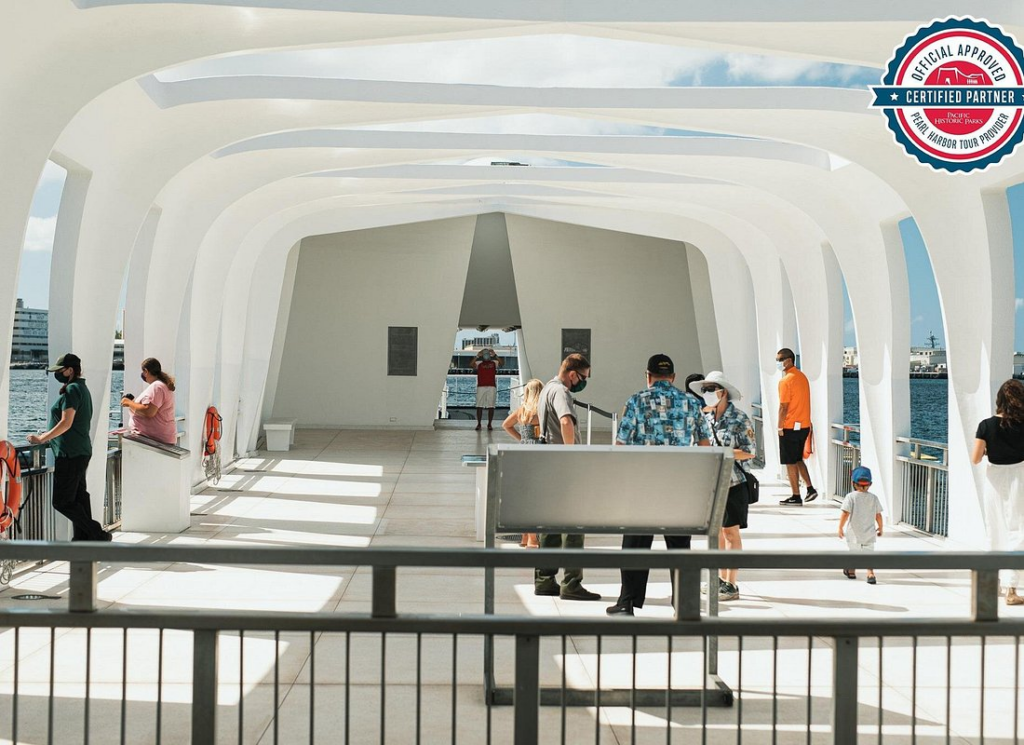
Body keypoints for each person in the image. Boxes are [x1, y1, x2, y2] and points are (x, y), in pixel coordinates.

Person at [606, 354, 712, 616]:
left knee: (635, 545)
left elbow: (620, 445)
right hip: (679, 486)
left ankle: (627, 602)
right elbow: (705, 446)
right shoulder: (691, 402)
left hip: (643, 484)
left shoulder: (637, 401)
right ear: (673, 377)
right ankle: (683, 605)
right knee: (679, 547)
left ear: (648, 375)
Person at [534, 353, 601, 601]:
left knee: (549, 526)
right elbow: (565, 421)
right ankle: (571, 584)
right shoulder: (561, 391)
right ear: (572, 374)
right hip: (563, 467)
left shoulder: (546, 389)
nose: (583, 382)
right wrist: (572, 454)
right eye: (583, 377)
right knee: (573, 527)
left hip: (548, 464)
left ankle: (544, 579)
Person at [27, 353, 111, 542]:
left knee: (62, 501)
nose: (57, 375)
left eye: (60, 371)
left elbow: (66, 423)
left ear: (70, 370)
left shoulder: (73, 390)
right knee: (79, 496)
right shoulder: (82, 388)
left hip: (70, 453)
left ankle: (96, 533)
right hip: (79, 450)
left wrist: (42, 438)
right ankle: (84, 538)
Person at [695, 371, 757, 602]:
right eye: (705, 389)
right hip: (712, 482)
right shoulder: (706, 418)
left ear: (723, 392)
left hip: (734, 483)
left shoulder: (740, 419)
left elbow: (750, 450)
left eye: (711, 389)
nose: (707, 393)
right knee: (716, 533)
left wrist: (723, 452)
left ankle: (732, 583)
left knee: (730, 532)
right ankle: (718, 579)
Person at [971, 379, 1024, 605]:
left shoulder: (986, 425)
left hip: (994, 479)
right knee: (1018, 530)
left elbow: (975, 459)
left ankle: (992, 584)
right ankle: (1011, 589)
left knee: (995, 529)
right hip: (1020, 477)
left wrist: (990, 450)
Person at [502, 378, 544, 549]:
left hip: (523, 451)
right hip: (538, 453)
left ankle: (525, 537)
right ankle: (533, 538)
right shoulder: (541, 412)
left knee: (526, 496)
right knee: (536, 498)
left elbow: (506, 425)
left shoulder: (522, 411)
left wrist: (522, 439)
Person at [775, 348, 819, 505]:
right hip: (804, 425)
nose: (778, 363)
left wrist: (780, 427)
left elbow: (783, 407)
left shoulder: (785, 381)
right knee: (797, 458)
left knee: (790, 461)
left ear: (788, 360)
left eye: (779, 360)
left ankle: (796, 495)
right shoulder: (802, 377)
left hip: (789, 426)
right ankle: (810, 488)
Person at [838, 466, 883, 584]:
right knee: (869, 554)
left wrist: (840, 527)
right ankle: (870, 573)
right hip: (869, 533)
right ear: (870, 484)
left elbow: (845, 513)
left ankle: (851, 571)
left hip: (854, 533)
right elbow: (878, 515)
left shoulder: (850, 497)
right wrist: (881, 527)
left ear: (853, 483)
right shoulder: (873, 498)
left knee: (854, 552)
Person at [121, 357, 177, 445]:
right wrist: (134, 403)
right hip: (156, 439)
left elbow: (149, 411)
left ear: (146, 371)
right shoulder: (162, 386)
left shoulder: (157, 387)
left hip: (155, 441)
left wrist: (129, 403)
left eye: (143, 372)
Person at [471, 347, 503, 431]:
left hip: (491, 386)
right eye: (484, 353)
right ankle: (479, 423)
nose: (486, 355)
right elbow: (471, 364)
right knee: (479, 406)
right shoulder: (479, 363)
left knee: (491, 406)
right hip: (481, 386)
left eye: (487, 353)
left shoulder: (494, 362)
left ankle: (489, 424)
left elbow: (502, 363)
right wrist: (477, 356)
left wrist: (495, 355)